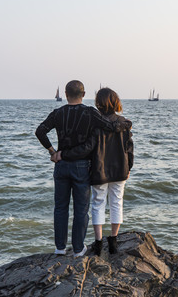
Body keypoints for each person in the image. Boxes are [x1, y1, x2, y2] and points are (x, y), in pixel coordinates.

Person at [35, 80, 127, 257]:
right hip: (81, 166)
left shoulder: (58, 113)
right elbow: (110, 126)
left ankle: (60, 248)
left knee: (60, 207)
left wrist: (52, 151)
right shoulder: (90, 113)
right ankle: (78, 249)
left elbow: (40, 131)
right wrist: (127, 124)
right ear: (83, 95)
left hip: (61, 165)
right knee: (81, 208)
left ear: (66, 94)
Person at [56, 87, 133, 255]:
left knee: (98, 204)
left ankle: (98, 242)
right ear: (116, 102)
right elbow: (129, 149)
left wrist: (64, 154)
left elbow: (88, 148)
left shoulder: (95, 125)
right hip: (120, 169)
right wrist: (129, 168)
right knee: (117, 203)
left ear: (98, 103)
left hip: (99, 170)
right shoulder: (124, 123)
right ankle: (113, 240)